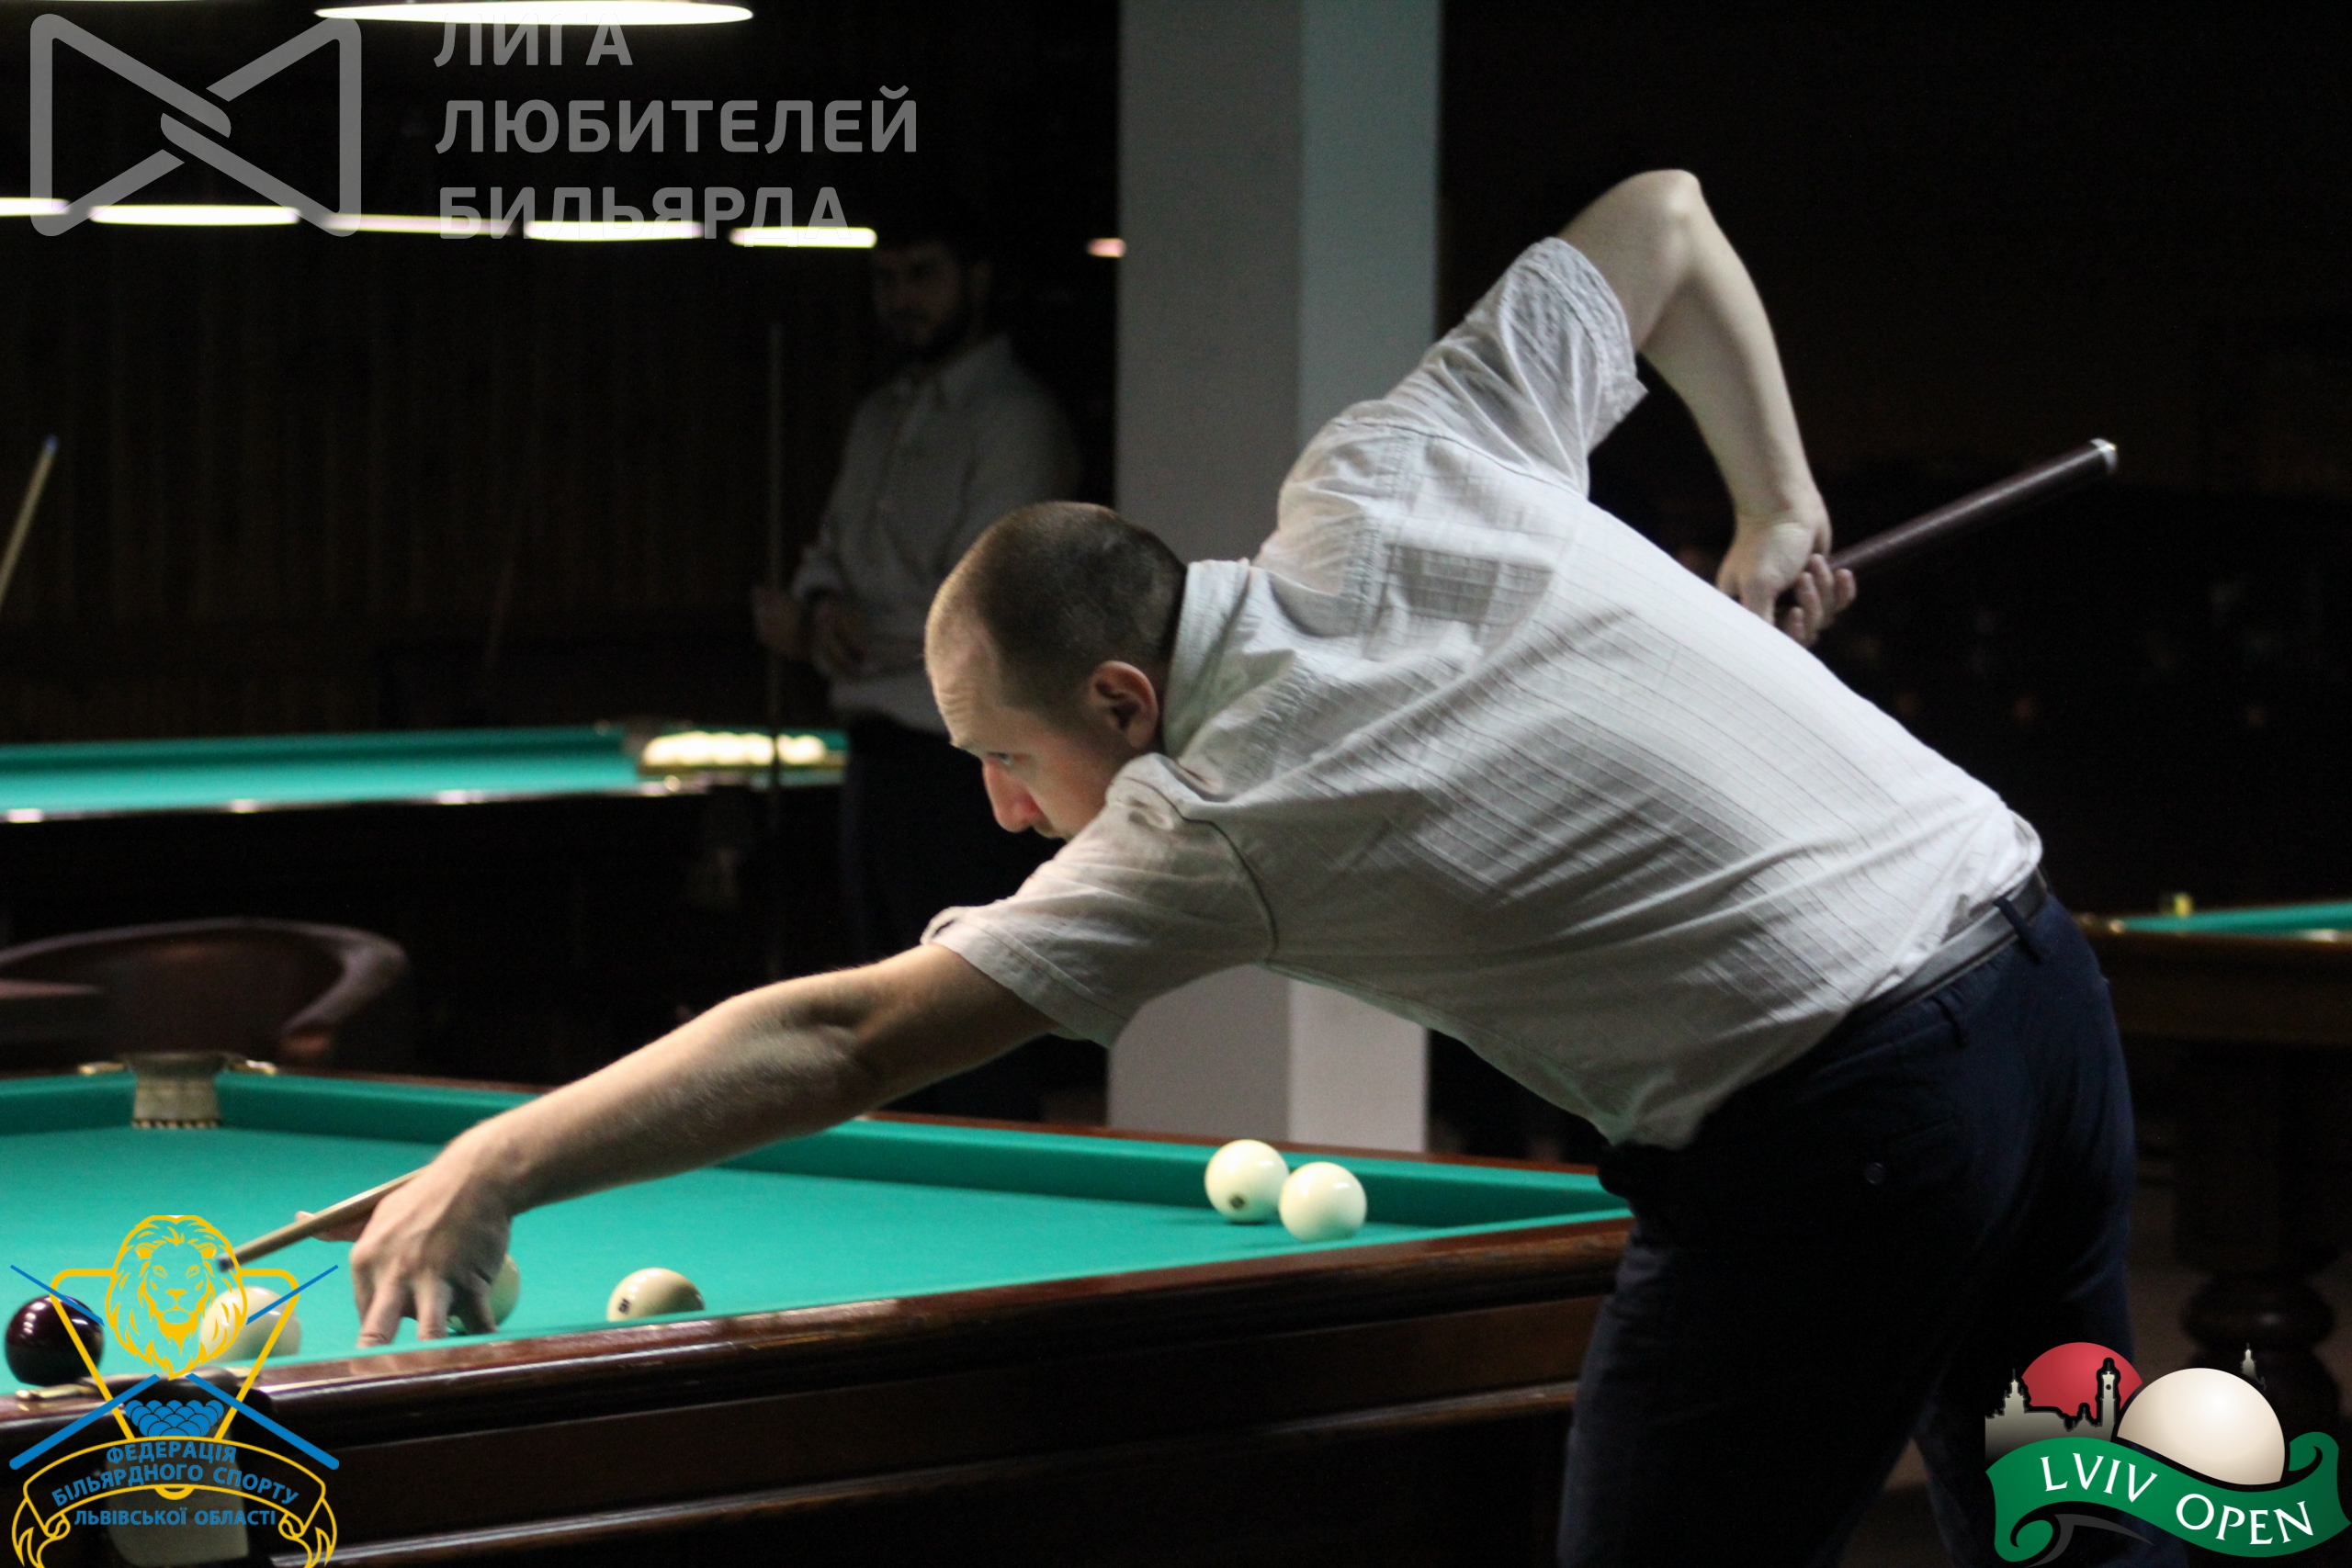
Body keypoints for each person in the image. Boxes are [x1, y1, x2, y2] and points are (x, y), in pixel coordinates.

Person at [353, 172, 2166, 1567]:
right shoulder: (1389, 461)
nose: (1002, 810)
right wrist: (1775, 499)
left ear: (1121, 698)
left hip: (1842, 1123)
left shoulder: (1209, 816)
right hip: (2041, 990)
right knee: (2076, 1521)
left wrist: (496, 1159)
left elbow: (844, 1038)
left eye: (1006, 757)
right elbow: (1668, 222)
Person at [752, 205, 1080, 1117]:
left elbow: (980, 607)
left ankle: (1003, 1204)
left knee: (974, 1037)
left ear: (977, 279)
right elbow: (827, 556)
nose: (901, 298)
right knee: (886, 1039)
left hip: (967, 774)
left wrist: (829, 626)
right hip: (874, 762)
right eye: (886, 278)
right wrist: (824, 605)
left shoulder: (1015, 418)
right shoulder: (878, 414)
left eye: (923, 274)